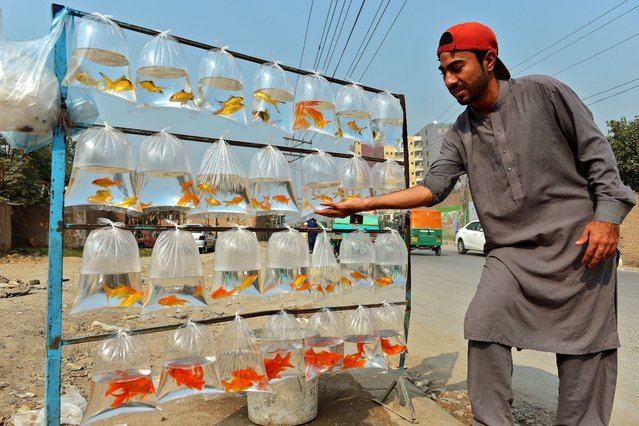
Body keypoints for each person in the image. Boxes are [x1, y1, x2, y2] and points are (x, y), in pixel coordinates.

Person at [316, 22, 636, 425]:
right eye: (443, 72)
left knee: (584, 353)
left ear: (489, 60)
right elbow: (433, 188)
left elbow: (598, 155)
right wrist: (368, 202)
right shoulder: (460, 133)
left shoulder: (545, 92)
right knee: (483, 324)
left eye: (457, 68)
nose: (449, 80)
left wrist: (607, 219)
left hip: (580, 248)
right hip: (511, 256)